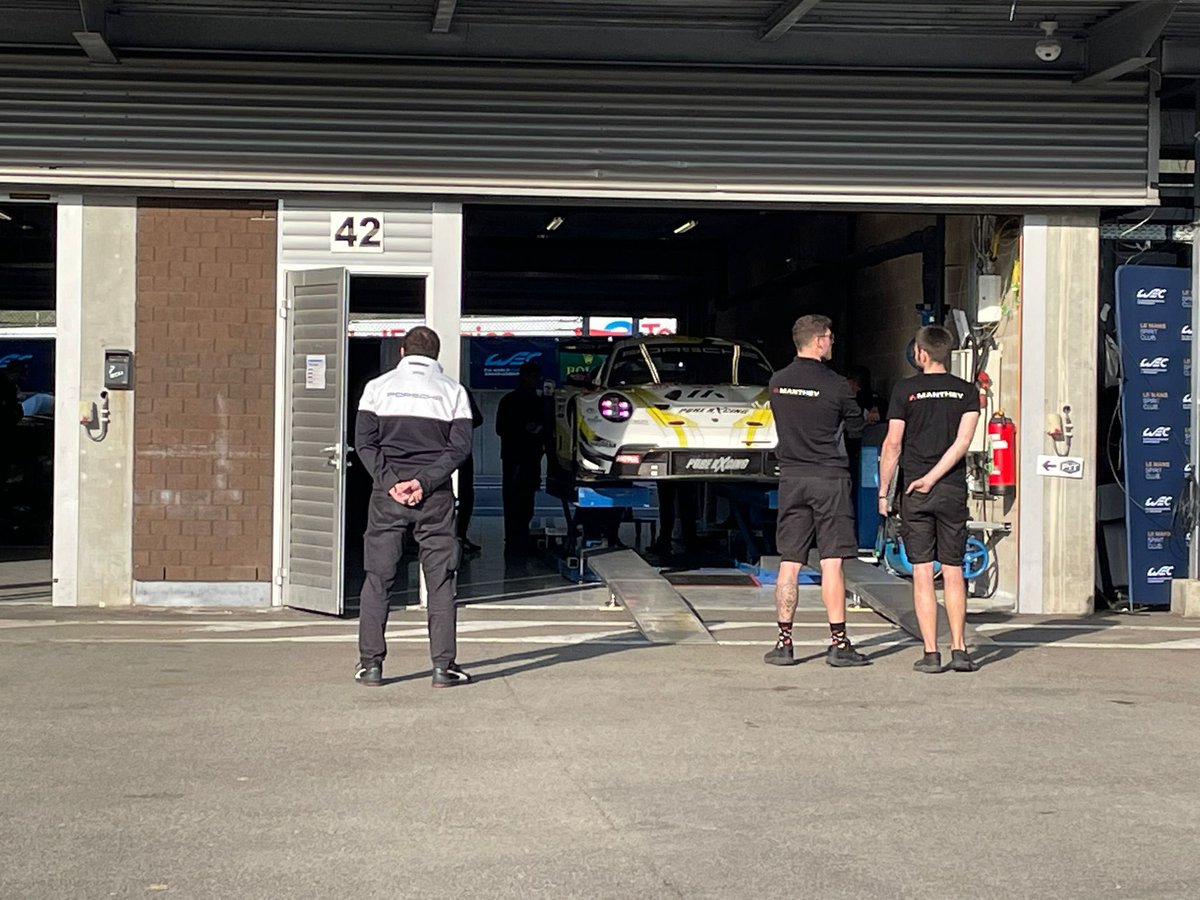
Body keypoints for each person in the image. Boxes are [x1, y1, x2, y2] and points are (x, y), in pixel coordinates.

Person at [353, 326, 474, 689]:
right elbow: (459, 449)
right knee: (439, 583)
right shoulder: (453, 392)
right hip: (434, 497)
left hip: (387, 498)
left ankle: (371, 666)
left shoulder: (377, 388)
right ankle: (443, 668)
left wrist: (392, 482)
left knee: (378, 579)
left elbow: (364, 443)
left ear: (402, 351)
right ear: (435, 355)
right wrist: (423, 482)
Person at [765, 314, 870, 668]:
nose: (832, 343)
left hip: (792, 477)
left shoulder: (777, 383)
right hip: (829, 478)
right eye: (831, 337)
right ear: (820, 340)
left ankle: (784, 643)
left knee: (789, 563)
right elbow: (855, 426)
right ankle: (839, 644)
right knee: (831, 563)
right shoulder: (837, 384)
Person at [878, 325, 981, 674]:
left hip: (914, 491)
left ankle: (931, 652)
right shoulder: (968, 391)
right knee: (953, 570)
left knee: (922, 571)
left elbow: (892, 444)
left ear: (921, 354)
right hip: (951, 490)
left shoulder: (905, 390)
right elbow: (963, 443)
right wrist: (937, 477)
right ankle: (960, 649)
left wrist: (884, 491)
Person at [495, 360, 549, 555]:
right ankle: (513, 537)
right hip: (514, 456)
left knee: (527, 498)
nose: (536, 381)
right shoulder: (510, 401)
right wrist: (523, 429)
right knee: (512, 498)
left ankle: (522, 535)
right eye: (533, 377)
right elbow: (500, 428)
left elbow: (546, 428)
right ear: (524, 377)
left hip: (532, 457)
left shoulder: (538, 402)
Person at [456, 386, 484, 555]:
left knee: (465, 492)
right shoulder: (458, 390)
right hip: (456, 449)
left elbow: (477, 418)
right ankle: (459, 535)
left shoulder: (460, 391)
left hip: (454, 450)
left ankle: (460, 535)